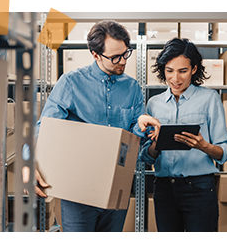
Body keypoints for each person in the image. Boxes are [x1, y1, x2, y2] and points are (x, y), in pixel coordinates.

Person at [33, 20, 160, 232]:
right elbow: (45, 128)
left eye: (125, 54)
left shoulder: (132, 88)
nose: (122, 62)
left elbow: (133, 140)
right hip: (78, 191)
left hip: (116, 188)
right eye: (114, 57)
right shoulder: (72, 83)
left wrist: (140, 125)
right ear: (95, 55)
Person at [138, 38, 227, 232]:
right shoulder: (154, 104)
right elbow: (146, 156)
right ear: (163, 69)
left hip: (199, 187)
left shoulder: (209, 99)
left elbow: (224, 152)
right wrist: (156, 143)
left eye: (183, 71)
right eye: (169, 71)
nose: (175, 79)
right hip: (164, 189)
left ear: (194, 69)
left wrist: (203, 146)